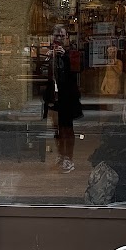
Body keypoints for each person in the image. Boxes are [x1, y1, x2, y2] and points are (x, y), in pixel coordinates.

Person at [43, 24, 83, 174]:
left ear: (67, 37)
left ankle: (69, 158)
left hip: (68, 97)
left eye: (62, 36)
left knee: (67, 128)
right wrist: (48, 59)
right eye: (56, 36)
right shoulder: (50, 52)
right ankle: (61, 154)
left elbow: (76, 70)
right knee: (56, 127)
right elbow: (46, 76)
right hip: (54, 97)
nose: (59, 38)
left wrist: (65, 56)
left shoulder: (72, 52)